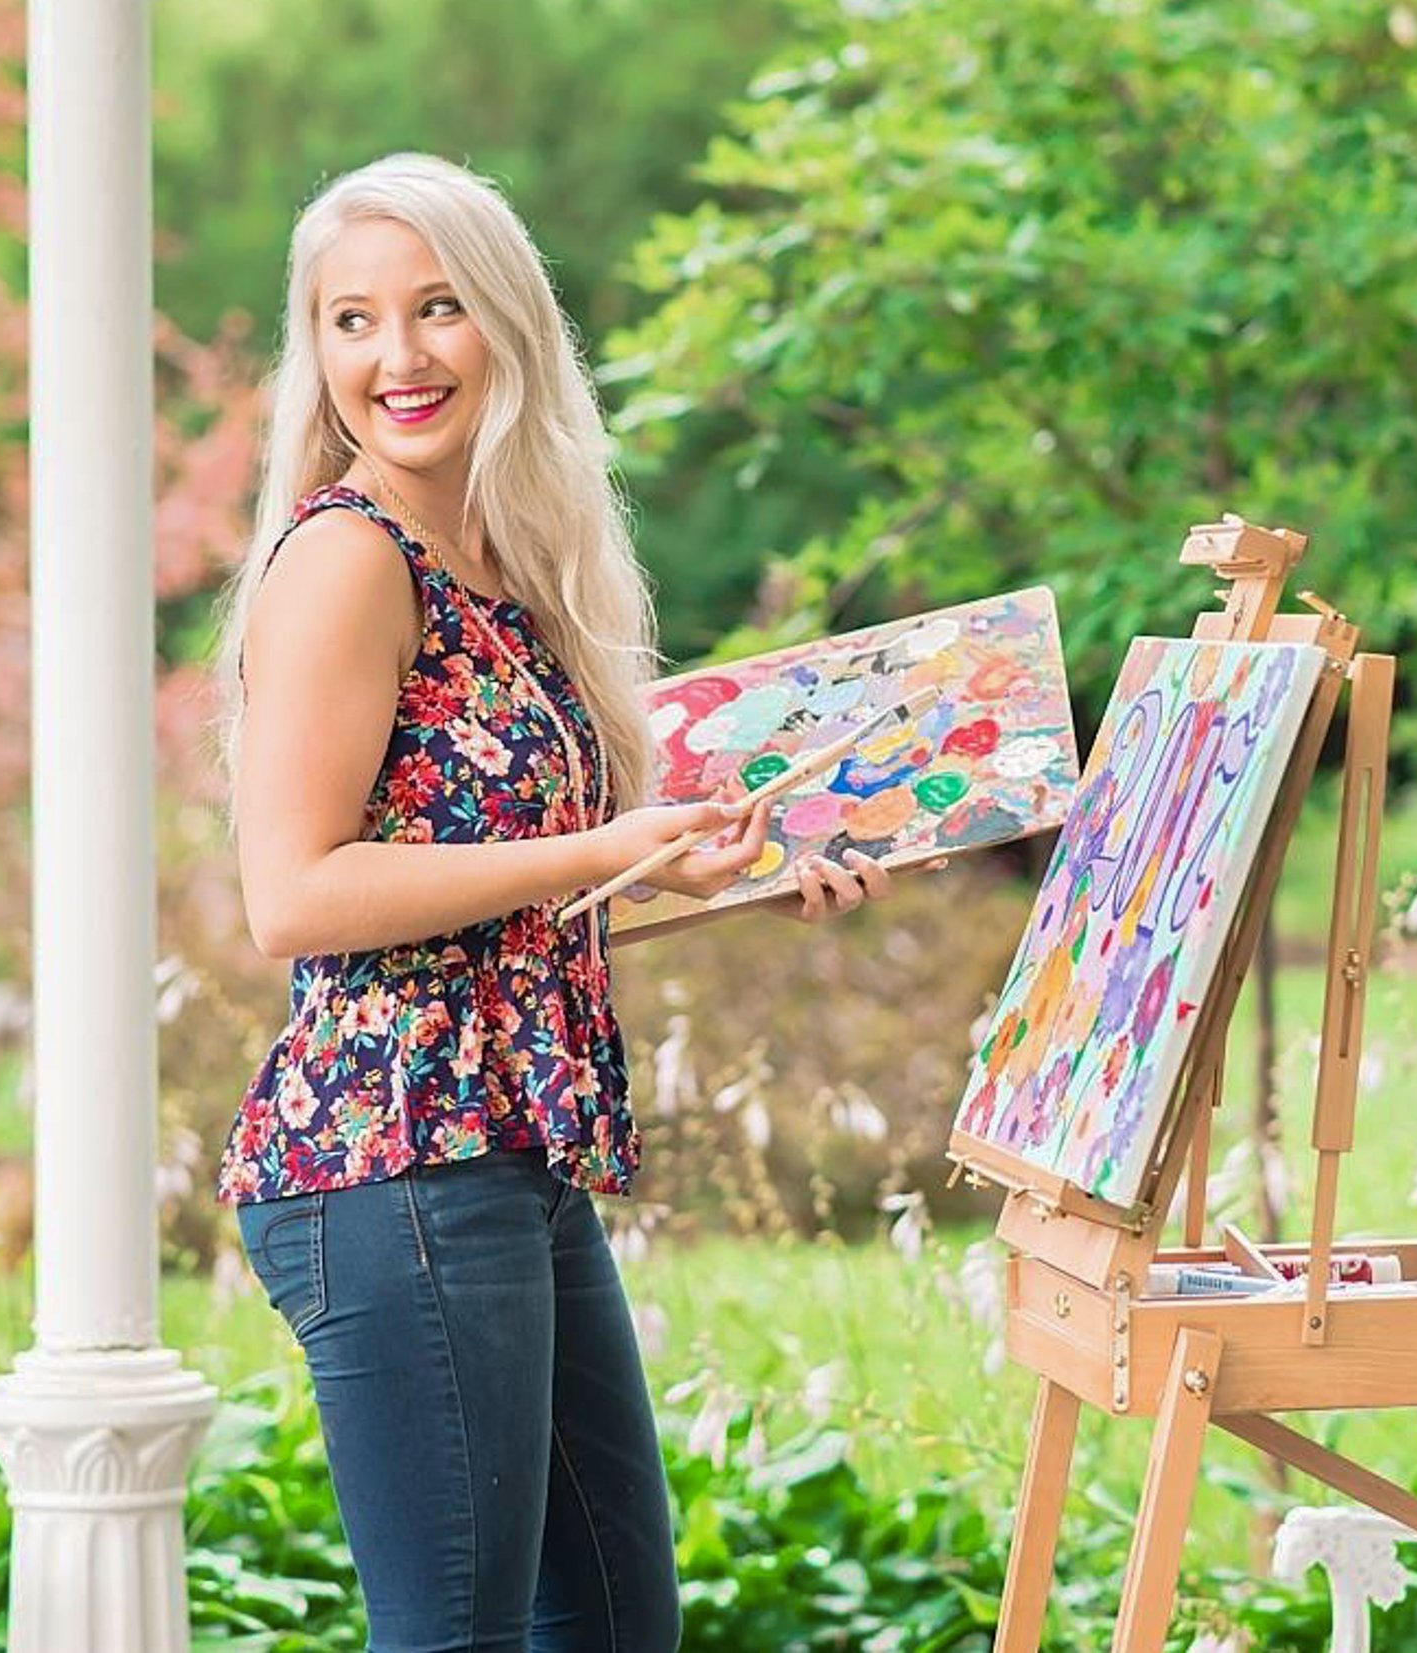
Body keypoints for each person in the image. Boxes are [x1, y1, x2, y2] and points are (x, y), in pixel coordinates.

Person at [211, 153, 903, 1653]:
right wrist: (602, 851)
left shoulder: (503, 568)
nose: (397, 356)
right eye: (352, 321)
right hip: (393, 1155)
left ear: (507, 325)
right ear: (315, 354)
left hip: (506, 1152)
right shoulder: (346, 560)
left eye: (437, 308)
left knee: (607, 1620)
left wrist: (712, 875)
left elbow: (504, 913)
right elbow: (295, 893)